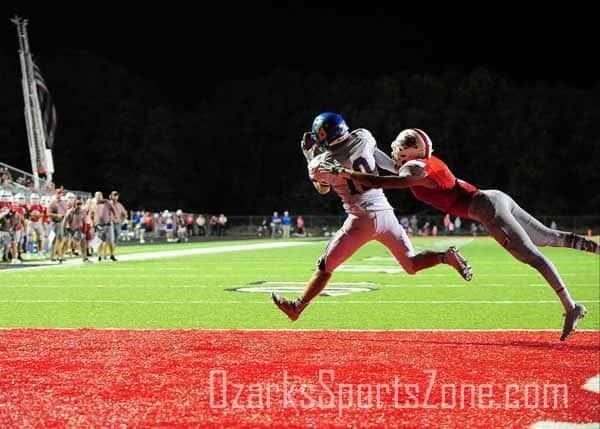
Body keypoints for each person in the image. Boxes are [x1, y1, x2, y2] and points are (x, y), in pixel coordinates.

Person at [319, 127, 599, 341]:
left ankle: (572, 306)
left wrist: (344, 172)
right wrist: (359, 148)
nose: (395, 154)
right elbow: (384, 165)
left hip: (488, 209)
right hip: (492, 198)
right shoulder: (418, 163)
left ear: (410, 152)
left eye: (399, 150)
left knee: (533, 256)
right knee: (549, 237)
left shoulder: (415, 168)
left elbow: (380, 181)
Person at [272, 112, 473, 322]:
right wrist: (398, 170)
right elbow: (377, 157)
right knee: (411, 264)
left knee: (325, 267)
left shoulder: (320, 163)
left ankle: (297, 308)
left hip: (360, 219)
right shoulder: (363, 136)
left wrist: (309, 157)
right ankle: (444, 257)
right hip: (385, 212)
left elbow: (322, 189)